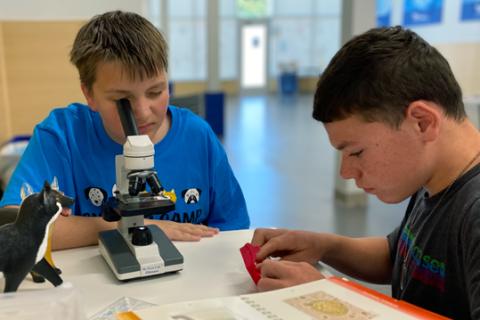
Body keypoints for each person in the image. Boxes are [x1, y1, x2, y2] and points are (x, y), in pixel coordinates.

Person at [251, 26, 480, 319]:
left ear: (422, 122)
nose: (346, 172)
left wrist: (337, 303)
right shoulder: (433, 177)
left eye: (356, 152)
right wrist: (323, 245)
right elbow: (397, 256)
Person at [0, 11, 249, 250]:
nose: (142, 111)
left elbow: (234, 231)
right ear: (89, 93)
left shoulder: (198, 137)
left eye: (155, 92)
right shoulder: (62, 136)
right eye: (122, 99)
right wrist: (121, 226)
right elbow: (12, 224)